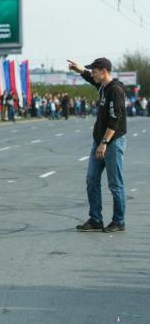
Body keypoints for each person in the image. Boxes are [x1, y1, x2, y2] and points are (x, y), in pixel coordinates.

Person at [69, 58, 127, 233]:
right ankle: (95, 219)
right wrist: (80, 70)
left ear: (104, 71)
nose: (92, 73)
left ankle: (119, 221)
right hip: (99, 141)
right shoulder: (103, 87)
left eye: (94, 70)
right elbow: (89, 78)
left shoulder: (115, 90)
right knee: (92, 179)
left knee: (115, 183)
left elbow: (115, 119)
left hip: (112, 142)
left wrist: (104, 143)